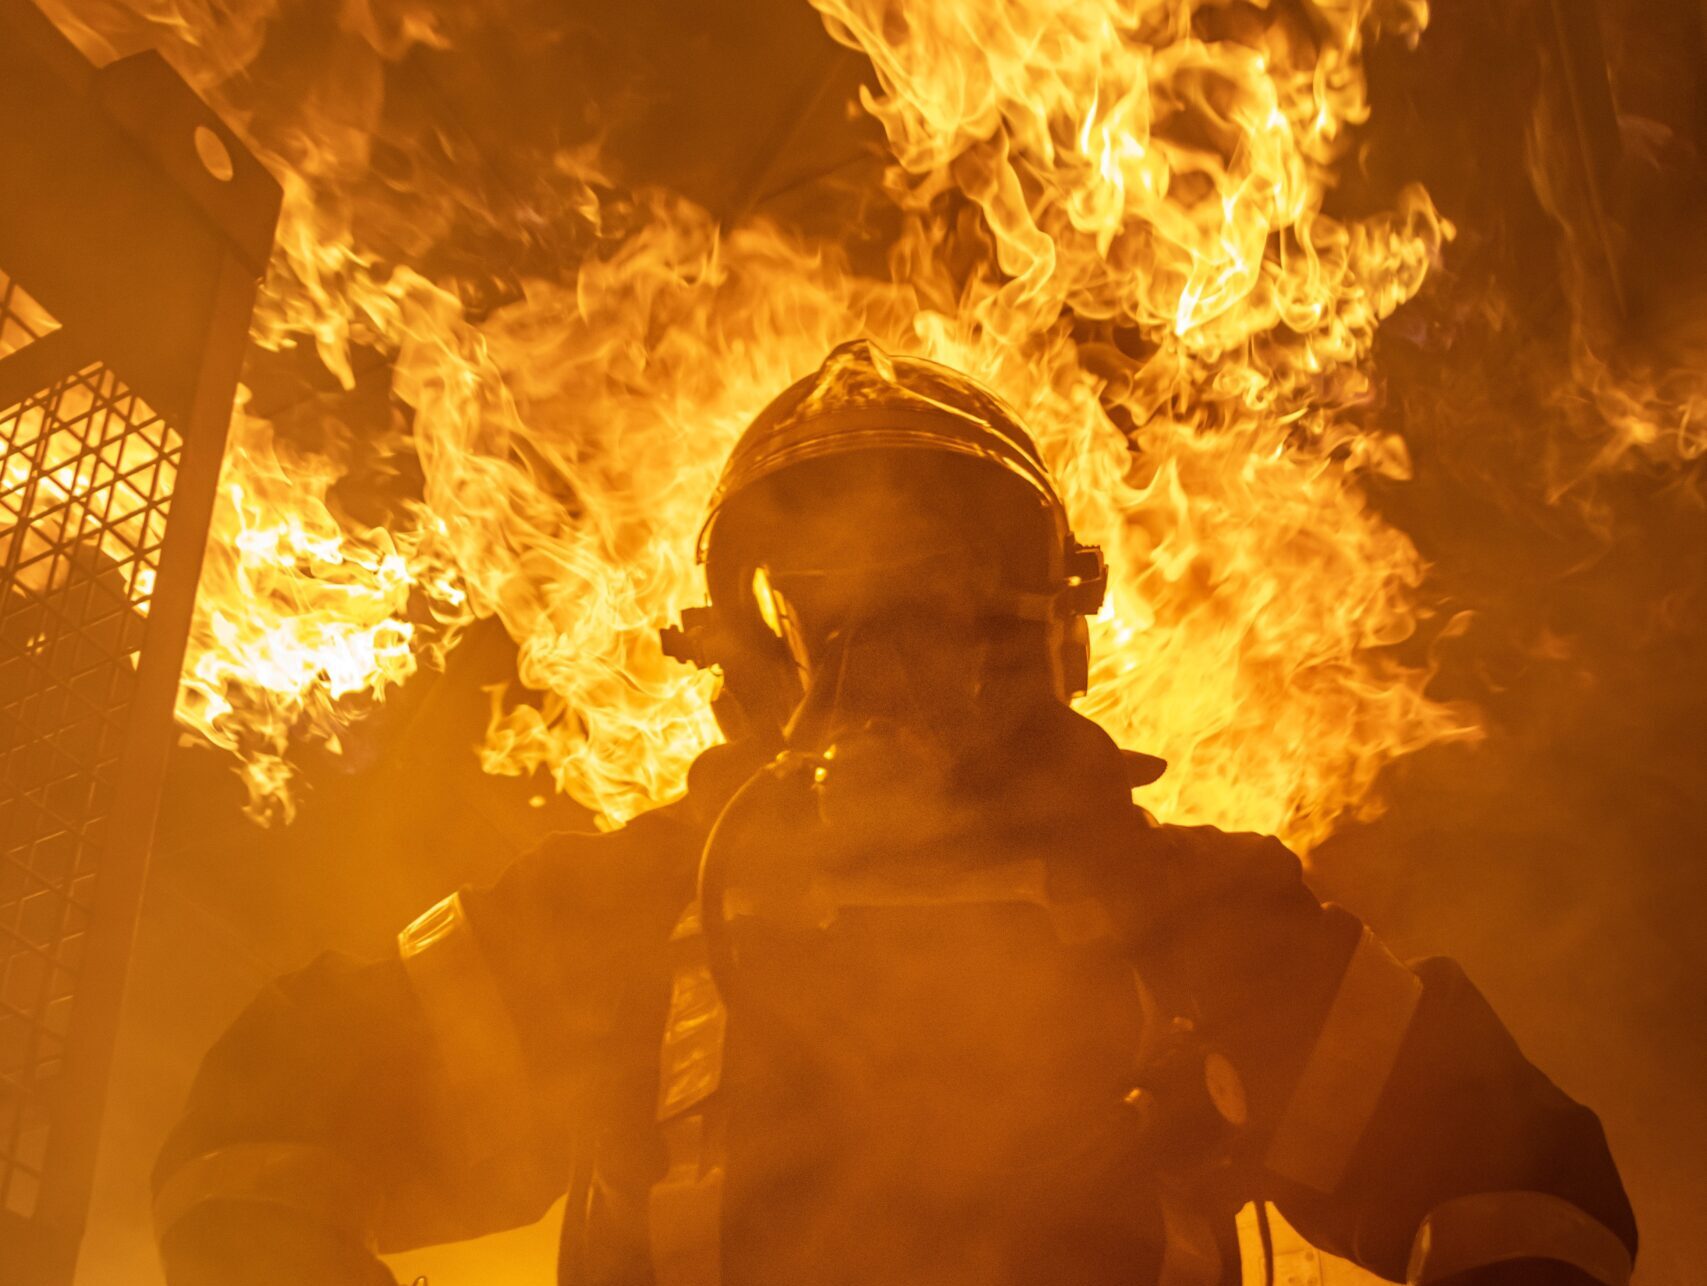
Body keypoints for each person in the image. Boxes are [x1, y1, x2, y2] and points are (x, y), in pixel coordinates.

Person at [153, 341, 1637, 1286]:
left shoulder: (1201, 920)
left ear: (1043, 619)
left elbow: (1521, 1188)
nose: (881, 649)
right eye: (825, 601)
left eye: (938, 588)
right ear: (743, 642)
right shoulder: (617, 917)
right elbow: (269, 1126)